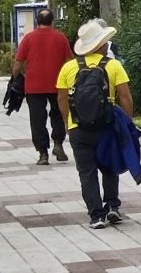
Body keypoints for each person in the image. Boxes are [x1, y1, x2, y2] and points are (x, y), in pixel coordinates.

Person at [57, 18, 135, 230]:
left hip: (78, 128)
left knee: (87, 172)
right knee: (109, 167)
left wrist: (66, 121)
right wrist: (128, 123)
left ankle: (96, 215)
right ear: (100, 46)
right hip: (107, 126)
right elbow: (125, 95)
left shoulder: (68, 68)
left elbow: (62, 99)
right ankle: (112, 206)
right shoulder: (113, 65)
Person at [12, 9, 74, 164]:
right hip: (58, 84)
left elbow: (18, 63)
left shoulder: (28, 38)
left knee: (37, 119)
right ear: (52, 21)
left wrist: (15, 78)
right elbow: (69, 62)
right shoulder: (60, 38)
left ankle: (43, 153)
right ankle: (58, 143)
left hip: (34, 85)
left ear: (36, 21)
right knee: (58, 114)